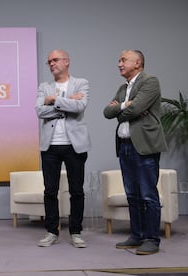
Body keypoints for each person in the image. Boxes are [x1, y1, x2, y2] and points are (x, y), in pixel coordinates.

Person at [103, 50, 167, 255]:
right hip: (125, 147)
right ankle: (137, 235)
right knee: (132, 194)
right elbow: (107, 112)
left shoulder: (150, 81)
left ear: (137, 63)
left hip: (145, 146)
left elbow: (134, 109)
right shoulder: (123, 88)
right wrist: (126, 105)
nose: (118, 63)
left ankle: (152, 239)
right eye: (119, 60)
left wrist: (123, 109)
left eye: (123, 60)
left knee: (148, 194)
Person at [35, 49, 91, 248]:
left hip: (74, 145)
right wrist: (68, 101)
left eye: (55, 60)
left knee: (77, 191)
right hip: (50, 145)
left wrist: (54, 101)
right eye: (49, 61)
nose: (51, 64)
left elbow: (80, 107)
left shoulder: (81, 83)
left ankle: (76, 232)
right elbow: (39, 111)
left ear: (67, 62)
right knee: (50, 191)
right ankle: (52, 231)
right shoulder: (44, 86)